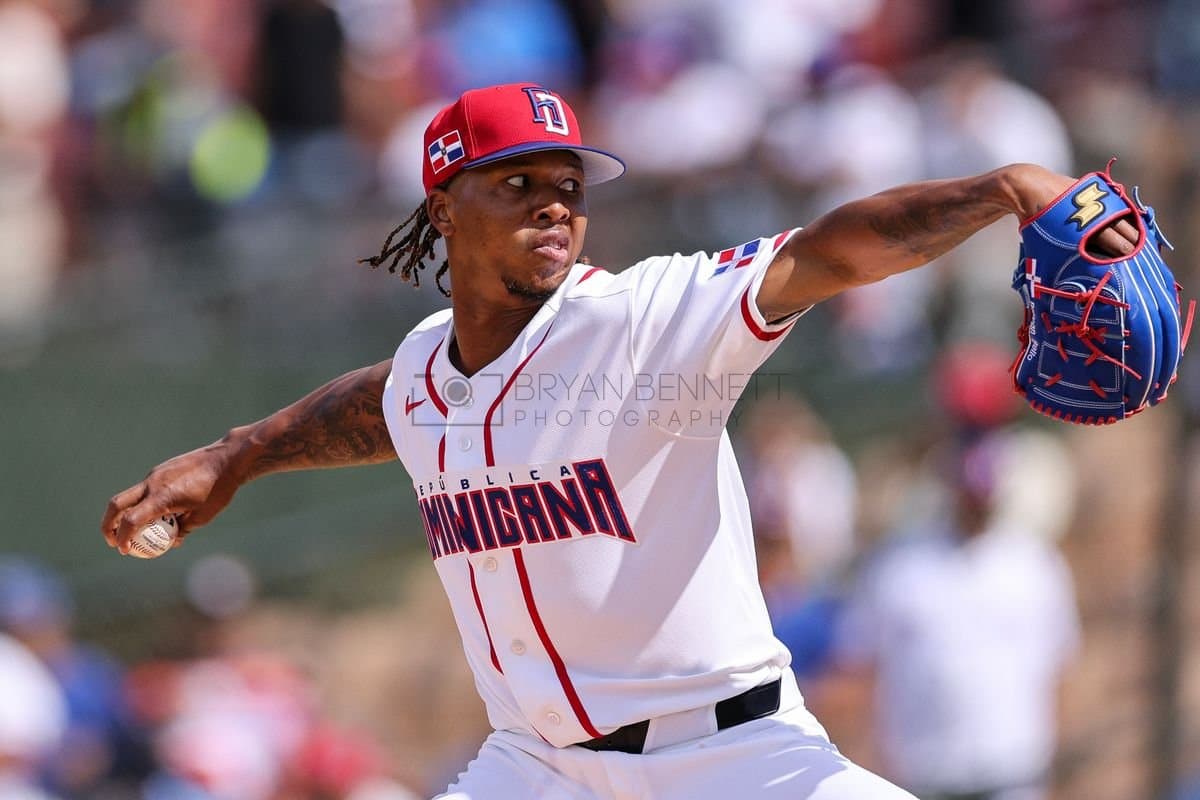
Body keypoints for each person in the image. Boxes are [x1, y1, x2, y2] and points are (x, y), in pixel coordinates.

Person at [101, 83, 1138, 799]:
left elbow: (831, 251)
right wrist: (236, 453)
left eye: (567, 184)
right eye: (517, 183)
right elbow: (381, 403)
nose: (554, 203)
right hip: (539, 766)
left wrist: (1004, 188)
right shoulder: (427, 369)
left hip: (733, 759)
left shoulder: (647, 321)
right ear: (444, 209)